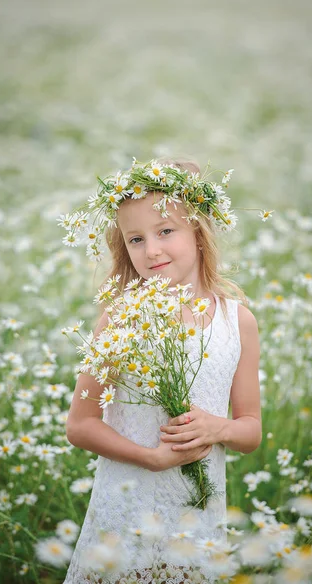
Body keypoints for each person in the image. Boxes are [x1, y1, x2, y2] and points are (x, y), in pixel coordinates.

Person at [62, 158, 262, 584]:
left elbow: (251, 431)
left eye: (165, 231)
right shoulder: (121, 319)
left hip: (197, 517)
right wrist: (150, 458)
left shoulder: (237, 321)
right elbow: (80, 425)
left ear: (200, 233)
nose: (150, 249)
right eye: (135, 239)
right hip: (125, 510)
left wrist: (216, 428)